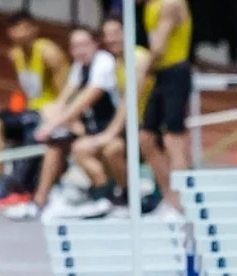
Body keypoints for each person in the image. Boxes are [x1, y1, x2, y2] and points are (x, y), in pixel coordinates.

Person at [4, 25, 119, 221]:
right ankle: (40, 200)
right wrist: (52, 121)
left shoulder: (104, 62)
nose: (79, 51)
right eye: (74, 47)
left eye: (84, 45)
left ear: (95, 44)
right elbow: (64, 100)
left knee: (78, 146)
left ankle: (105, 195)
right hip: (89, 125)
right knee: (55, 144)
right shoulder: (79, 66)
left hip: (110, 126)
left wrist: (51, 126)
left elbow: (85, 100)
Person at [0, 12, 67, 211]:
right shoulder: (15, 54)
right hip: (29, 111)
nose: (17, 33)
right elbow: (25, 91)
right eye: (13, 29)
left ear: (34, 28)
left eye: (22, 27)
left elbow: (66, 91)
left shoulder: (49, 52)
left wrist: (58, 116)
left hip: (47, 113)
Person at [70, 17, 149, 215]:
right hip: (130, 125)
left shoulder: (138, 57)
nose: (112, 39)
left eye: (116, 33)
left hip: (146, 126)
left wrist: (110, 132)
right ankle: (108, 193)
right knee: (82, 148)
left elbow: (129, 101)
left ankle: (129, 194)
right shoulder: (118, 62)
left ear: (128, 32)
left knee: (112, 148)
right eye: (107, 35)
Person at [137, 0, 192, 213]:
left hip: (175, 73)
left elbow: (159, 48)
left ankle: (184, 203)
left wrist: (143, 72)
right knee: (146, 138)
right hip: (160, 74)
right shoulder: (149, 7)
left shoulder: (170, 4)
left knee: (173, 139)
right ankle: (169, 196)